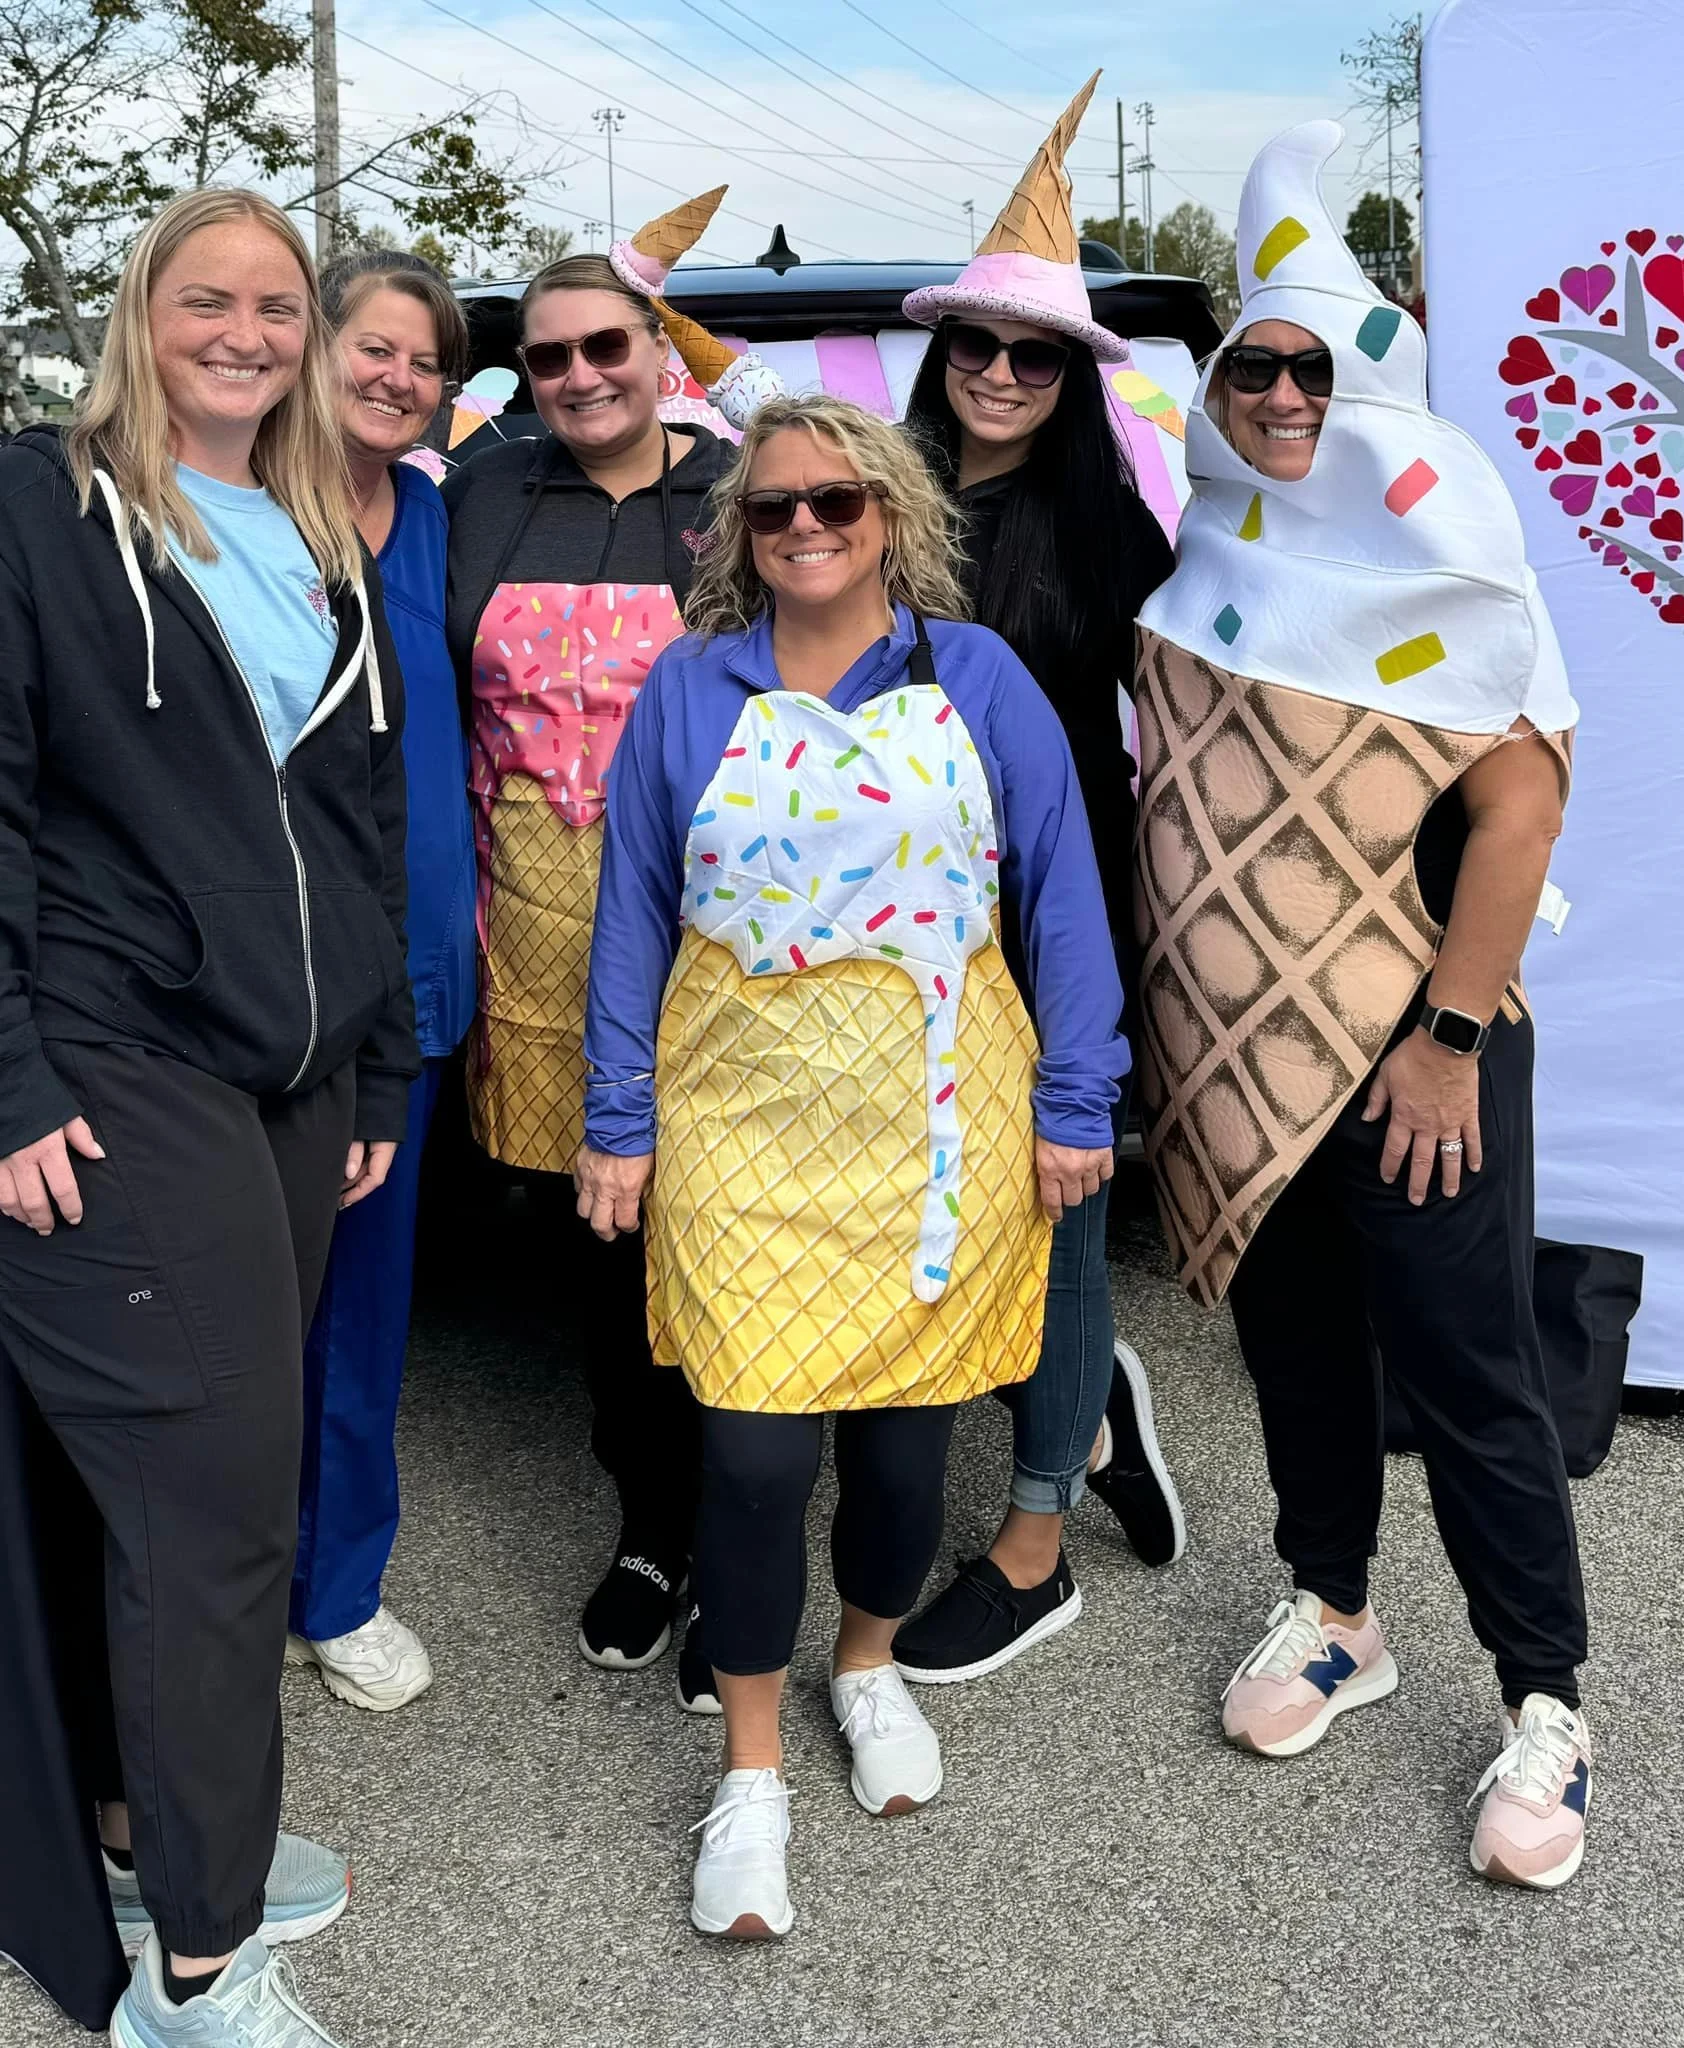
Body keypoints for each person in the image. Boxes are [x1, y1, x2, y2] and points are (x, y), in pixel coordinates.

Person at [577, 394, 1125, 1938]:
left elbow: (1065, 897)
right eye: (774, 509)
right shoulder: (690, 690)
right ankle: (751, 1773)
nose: (807, 527)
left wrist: (1079, 1099)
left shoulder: (983, 679)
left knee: (900, 1449)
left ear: (894, 515)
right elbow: (630, 908)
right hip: (740, 1117)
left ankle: (868, 1663)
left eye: (838, 502)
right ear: (739, 536)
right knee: (750, 1459)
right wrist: (617, 1120)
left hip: (935, 1117)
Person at [1133, 124, 1596, 1889]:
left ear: (1378, 385)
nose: (1277, 398)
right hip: (1245, 1066)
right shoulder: (1210, 549)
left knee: (1473, 1374)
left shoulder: (1455, 562)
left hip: (1420, 1054)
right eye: (1253, 365)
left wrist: (1454, 1035)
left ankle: (1547, 1705)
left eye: (1313, 371)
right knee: (1295, 1344)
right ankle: (1336, 1608)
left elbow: (1523, 806)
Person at [0, 188, 415, 2045]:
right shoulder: (43, 505)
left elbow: (363, 830)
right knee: (216, 1506)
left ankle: (135, 1832)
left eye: (277, 305)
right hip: (115, 1058)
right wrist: (8, 1080)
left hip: (291, 1075)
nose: (245, 331)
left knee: (164, 1503)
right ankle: (196, 1966)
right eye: (206, 299)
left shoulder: (318, 529)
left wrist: (374, 1067)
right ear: (139, 312)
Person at [442, 203, 782, 1675]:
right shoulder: (477, 490)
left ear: (660, 353)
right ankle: (653, 1524)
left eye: (605, 346)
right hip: (537, 923)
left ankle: (749, 1547)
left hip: (720, 926)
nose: (578, 376)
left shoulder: (746, 499)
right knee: (608, 1238)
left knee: (730, 1227)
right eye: (547, 357)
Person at [886, 73, 1185, 1687]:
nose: (1002, 375)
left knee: (1055, 1198)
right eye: (980, 347)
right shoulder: (864, 509)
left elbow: (1221, 702)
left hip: (1056, 908)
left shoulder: (1115, 530)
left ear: (1072, 378)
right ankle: (1085, 1400)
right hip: (886, 920)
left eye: (1037, 355)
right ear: (943, 357)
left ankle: (1037, 1538)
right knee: (936, 1197)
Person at [283, 250, 474, 1714]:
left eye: (425, 360)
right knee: (225, 1302)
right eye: (375, 347)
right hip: (253, 978)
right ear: (318, 345)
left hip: (403, 985)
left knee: (361, 1302)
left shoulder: (437, 517)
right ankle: (199, 1579)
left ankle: (334, 1584)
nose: (397, 377)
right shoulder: (230, 507)